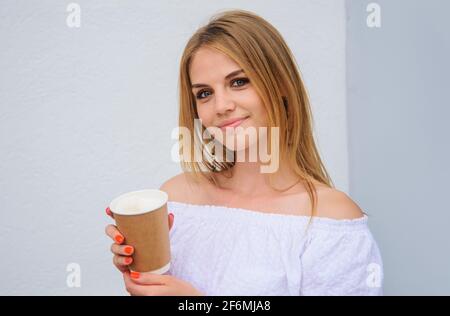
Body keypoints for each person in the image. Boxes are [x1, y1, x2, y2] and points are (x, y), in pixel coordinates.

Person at [105, 9, 383, 296]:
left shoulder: (330, 220)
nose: (221, 106)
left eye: (238, 82)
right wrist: (141, 269)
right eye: (204, 93)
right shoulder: (176, 198)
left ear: (281, 87)